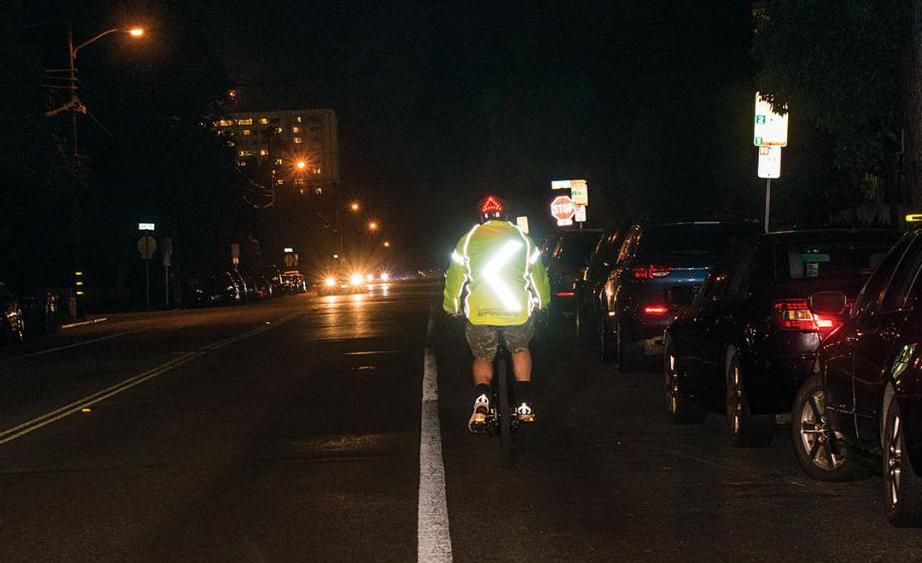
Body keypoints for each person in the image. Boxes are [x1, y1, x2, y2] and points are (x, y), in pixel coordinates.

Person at [443, 195, 550, 433]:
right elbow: (538, 276)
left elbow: (454, 277)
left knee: (482, 355)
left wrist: (452, 306)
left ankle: (482, 400)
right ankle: (523, 403)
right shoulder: (523, 239)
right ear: (507, 215)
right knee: (520, 349)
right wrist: (543, 302)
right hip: (517, 311)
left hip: (481, 312)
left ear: (481, 216)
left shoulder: (468, 240)